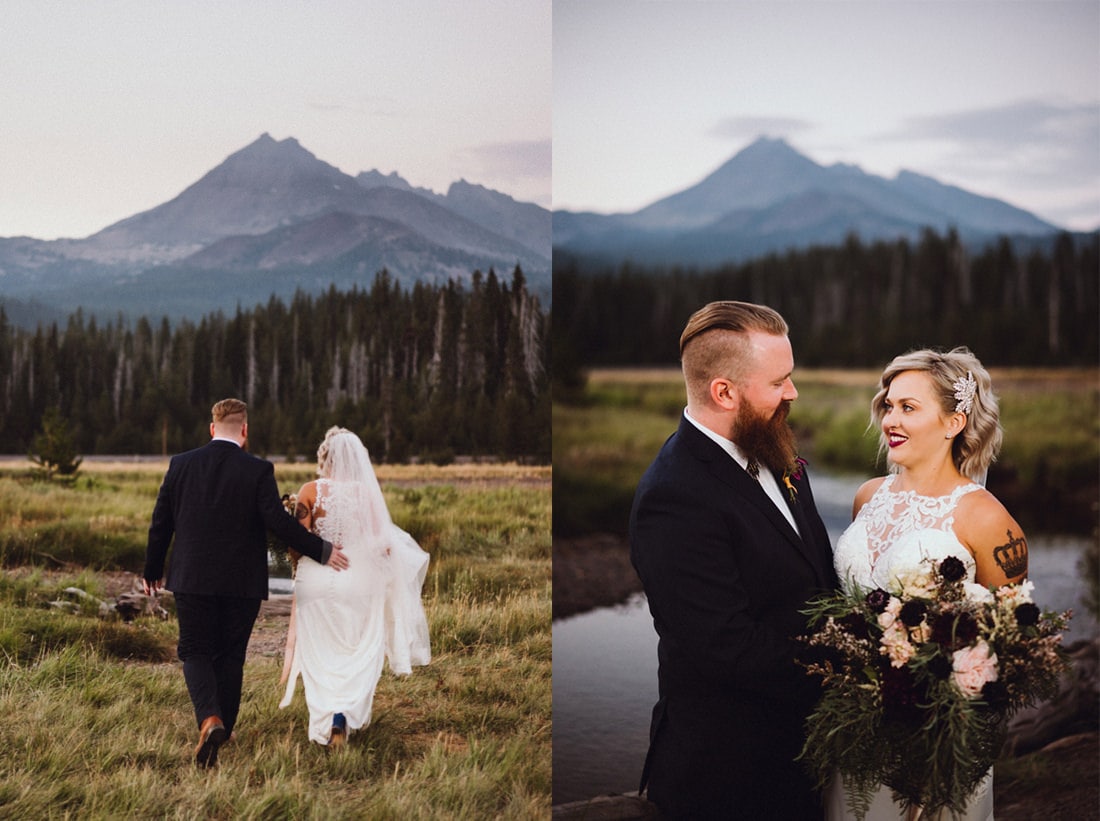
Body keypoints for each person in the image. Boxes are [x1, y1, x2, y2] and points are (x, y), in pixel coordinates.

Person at [629, 301, 837, 820]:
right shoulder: (674, 496)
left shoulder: (774, 450)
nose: (792, 392)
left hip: (806, 755)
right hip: (731, 777)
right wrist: (852, 666)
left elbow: (817, 579)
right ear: (724, 392)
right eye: (778, 382)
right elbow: (728, 648)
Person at [828, 348, 1027, 821]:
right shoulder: (867, 497)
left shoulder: (987, 518)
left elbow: (1012, 643)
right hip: (855, 725)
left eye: (908, 407)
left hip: (938, 736)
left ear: (954, 423)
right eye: (889, 405)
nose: (890, 419)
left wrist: (945, 714)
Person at [143, 398, 349, 768]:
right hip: (242, 583)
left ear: (212, 429)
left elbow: (161, 523)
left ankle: (210, 720)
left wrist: (152, 570)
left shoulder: (181, 464)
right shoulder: (258, 470)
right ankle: (225, 727)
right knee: (232, 654)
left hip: (191, 577)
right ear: (244, 430)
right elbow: (279, 524)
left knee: (194, 649)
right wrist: (322, 550)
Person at [279, 426, 431, 746]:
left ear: (324, 458)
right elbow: (383, 545)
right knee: (359, 650)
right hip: (358, 579)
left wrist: (310, 559)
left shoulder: (308, 491)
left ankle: (326, 717)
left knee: (321, 651)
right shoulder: (366, 494)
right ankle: (343, 715)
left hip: (317, 580)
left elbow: (297, 543)